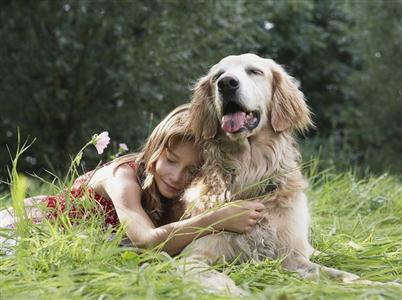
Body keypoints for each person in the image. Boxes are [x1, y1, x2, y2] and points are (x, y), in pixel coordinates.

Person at [0, 104, 265, 255]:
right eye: (171, 160)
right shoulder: (123, 178)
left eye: (192, 170)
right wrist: (216, 218)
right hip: (28, 228)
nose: (176, 176)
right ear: (154, 152)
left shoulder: (173, 195)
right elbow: (147, 240)